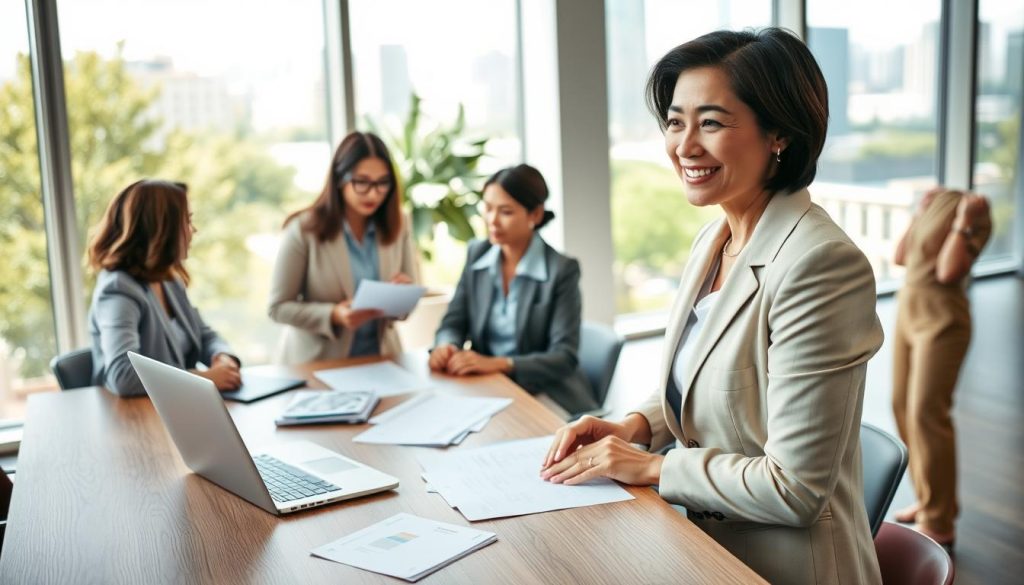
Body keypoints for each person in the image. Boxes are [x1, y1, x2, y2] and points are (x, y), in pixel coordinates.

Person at [540, 28, 884, 584]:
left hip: (787, 568)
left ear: (779, 134)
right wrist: (634, 426)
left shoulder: (821, 265)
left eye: (712, 122)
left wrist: (652, 466)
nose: (685, 145)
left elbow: (793, 489)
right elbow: (711, 377)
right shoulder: (715, 240)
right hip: (700, 548)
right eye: (676, 121)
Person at [428, 164, 596, 416]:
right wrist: (446, 345)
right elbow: (453, 321)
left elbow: (564, 357)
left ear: (535, 215)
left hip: (545, 394)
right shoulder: (478, 254)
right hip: (491, 390)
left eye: (505, 211)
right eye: (487, 208)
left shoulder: (562, 270)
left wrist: (499, 364)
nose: (491, 220)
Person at [890, 186, 991, 548]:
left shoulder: (976, 214)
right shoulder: (933, 206)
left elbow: (949, 271)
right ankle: (931, 498)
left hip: (943, 323)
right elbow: (900, 257)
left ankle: (940, 521)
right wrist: (919, 214)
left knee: (927, 415)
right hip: (908, 314)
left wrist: (962, 223)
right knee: (901, 407)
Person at [268, 131, 420, 363]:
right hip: (318, 363)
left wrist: (404, 294)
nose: (373, 193)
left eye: (382, 183)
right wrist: (333, 315)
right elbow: (277, 307)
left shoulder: (399, 223)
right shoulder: (304, 229)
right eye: (362, 182)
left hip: (381, 360)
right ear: (340, 179)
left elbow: (410, 295)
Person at [88, 180, 241, 397]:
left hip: (174, 408)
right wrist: (206, 379)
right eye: (187, 222)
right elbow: (124, 377)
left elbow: (204, 335)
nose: (193, 231)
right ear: (161, 229)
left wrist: (222, 357)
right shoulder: (118, 289)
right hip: (130, 418)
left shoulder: (168, 278)